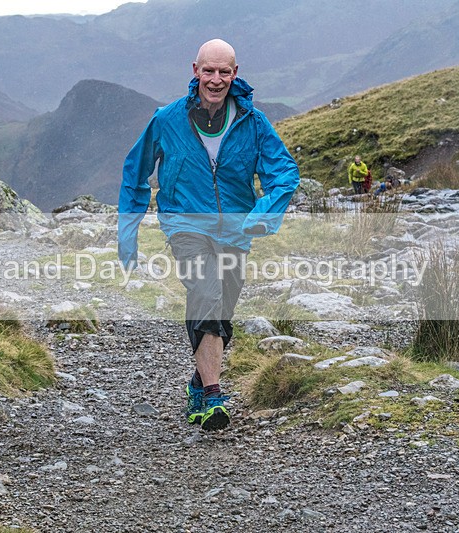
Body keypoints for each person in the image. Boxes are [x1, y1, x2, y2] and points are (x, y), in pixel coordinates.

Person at [118, 39, 300, 431]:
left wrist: (262, 215)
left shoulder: (254, 123)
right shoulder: (167, 119)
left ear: (235, 73)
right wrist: (127, 234)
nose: (215, 79)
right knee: (206, 292)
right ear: (195, 70)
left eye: (223, 72)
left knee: (225, 309)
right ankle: (213, 395)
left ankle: (199, 382)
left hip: (236, 231)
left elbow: (284, 174)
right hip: (185, 224)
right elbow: (135, 172)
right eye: (208, 70)